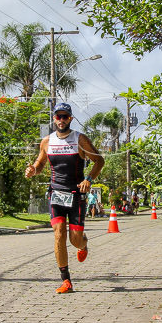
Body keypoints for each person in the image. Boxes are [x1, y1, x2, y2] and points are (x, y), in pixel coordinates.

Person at [25, 102, 105, 294]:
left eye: (65, 117)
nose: (61, 120)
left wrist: (88, 179)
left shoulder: (80, 139)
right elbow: (40, 163)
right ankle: (66, 280)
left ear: (70, 118)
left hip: (76, 194)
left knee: (75, 239)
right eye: (58, 116)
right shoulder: (47, 141)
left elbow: (99, 160)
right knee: (59, 233)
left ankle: (83, 244)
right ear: (54, 118)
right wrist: (33, 170)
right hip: (56, 193)